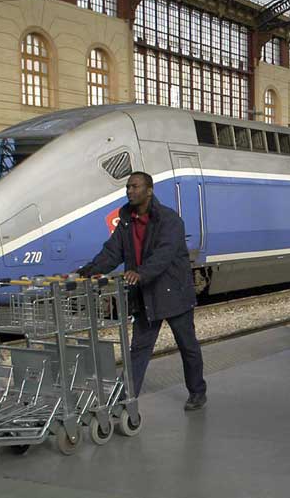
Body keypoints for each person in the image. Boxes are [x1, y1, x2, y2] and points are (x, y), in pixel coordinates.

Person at [77, 171, 207, 411]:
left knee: (188, 346)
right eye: (127, 187)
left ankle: (198, 391)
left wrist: (141, 273)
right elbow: (112, 252)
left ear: (149, 190)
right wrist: (89, 270)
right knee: (138, 350)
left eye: (135, 187)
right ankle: (126, 398)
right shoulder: (126, 220)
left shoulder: (169, 220)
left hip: (173, 293)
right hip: (146, 296)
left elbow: (164, 255)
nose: (130, 191)